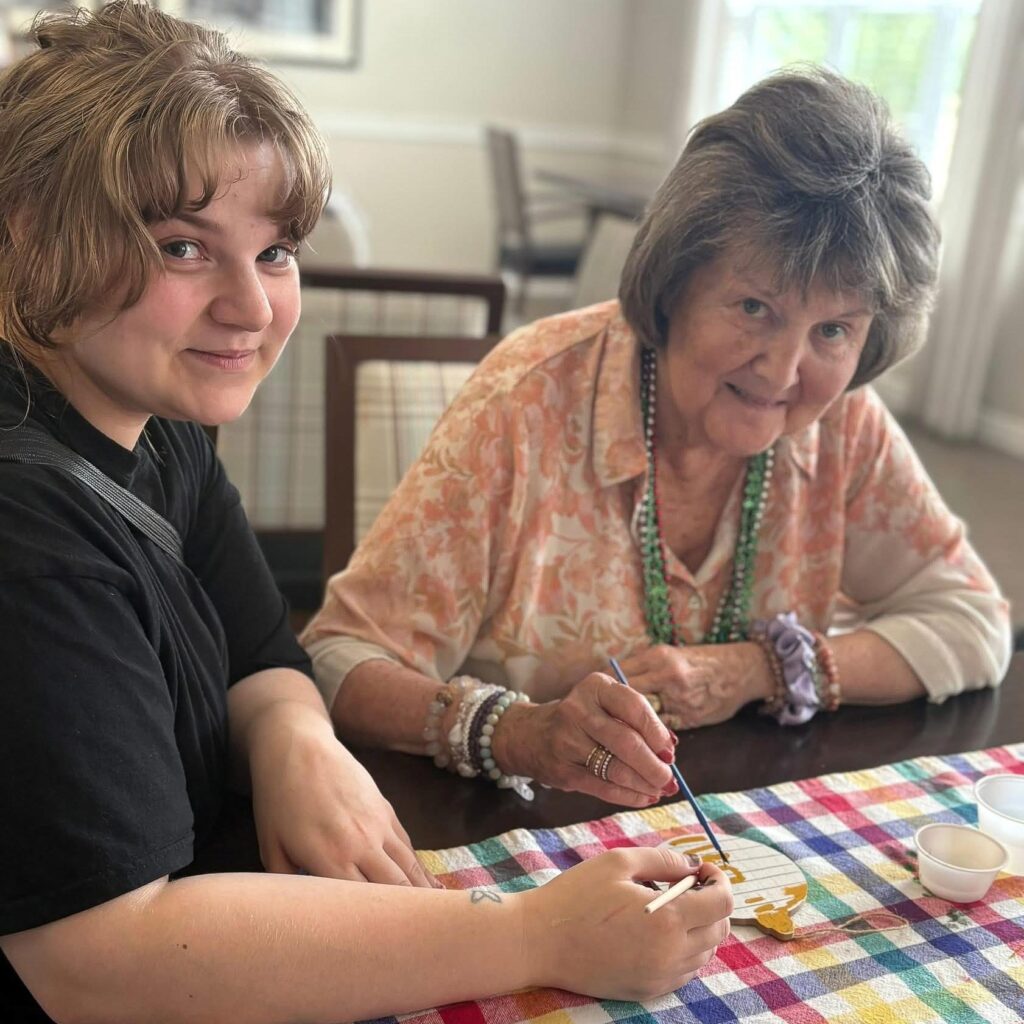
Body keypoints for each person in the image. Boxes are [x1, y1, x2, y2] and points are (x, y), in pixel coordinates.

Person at [0, 4, 733, 1021]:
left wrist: (290, 741)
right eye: (180, 247)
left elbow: (264, 648)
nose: (252, 309)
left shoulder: (141, 411)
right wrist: (533, 933)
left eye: (273, 251)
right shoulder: (30, 532)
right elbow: (105, 959)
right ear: (31, 229)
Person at [303, 67, 1012, 809]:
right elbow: (341, 659)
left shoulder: (843, 423)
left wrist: (759, 670)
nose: (783, 370)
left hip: (739, 825)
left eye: (833, 329)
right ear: (676, 283)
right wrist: (518, 731)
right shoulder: (524, 403)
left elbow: (971, 621)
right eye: (754, 307)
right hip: (520, 828)